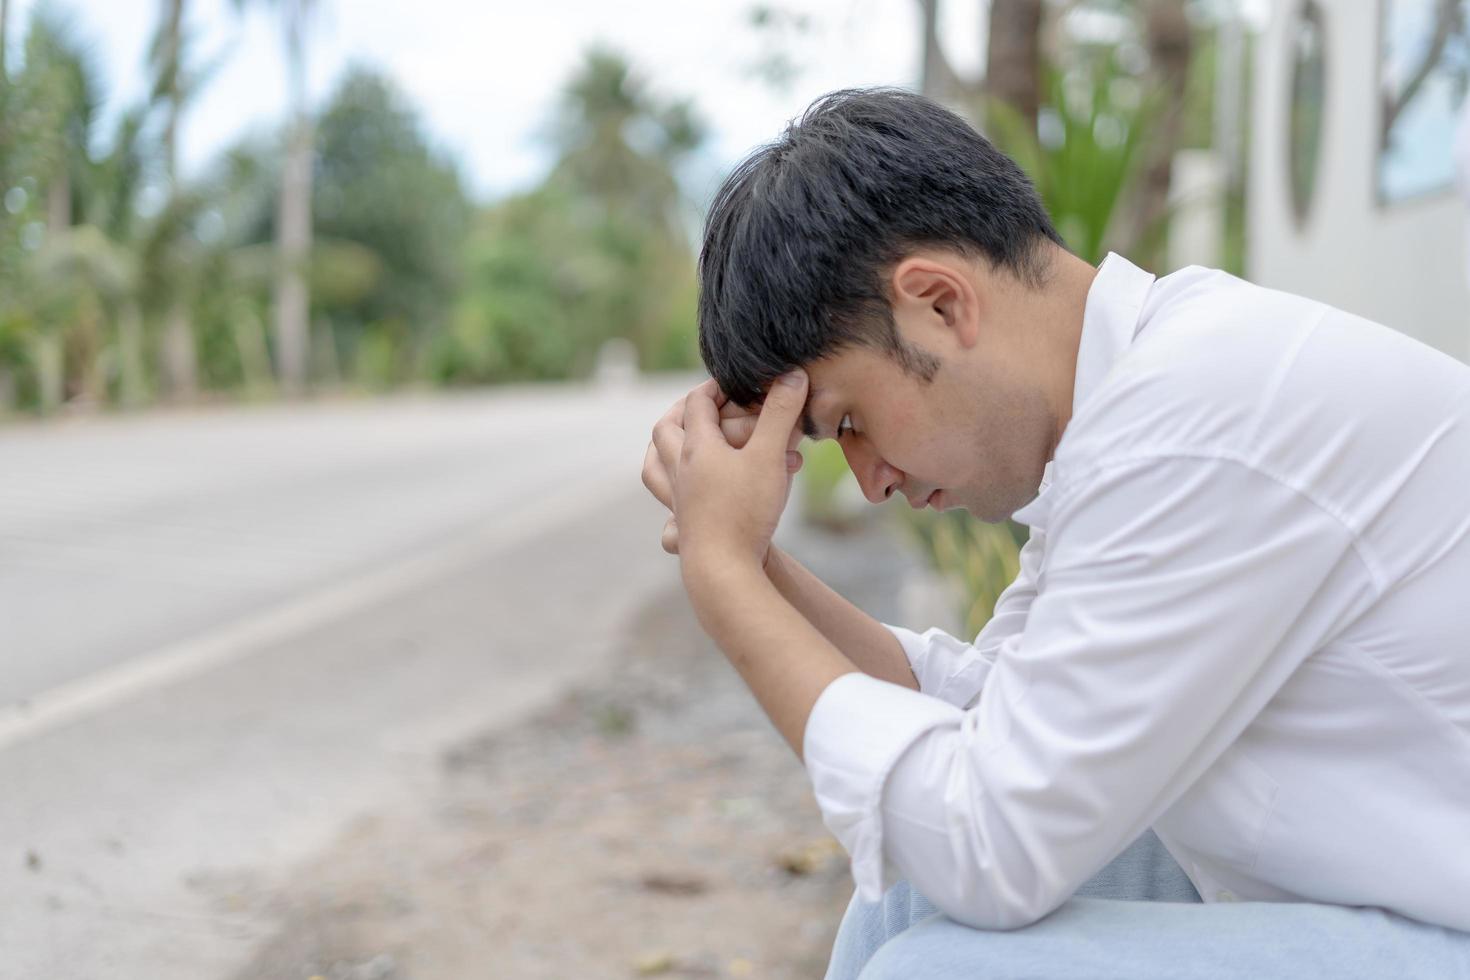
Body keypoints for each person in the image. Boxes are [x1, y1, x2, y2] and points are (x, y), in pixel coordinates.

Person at [640, 87, 1470, 978]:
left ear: (939, 304)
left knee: (942, 968)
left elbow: (992, 845)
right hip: (1393, 886)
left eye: (849, 421)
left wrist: (724, 582)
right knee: (909, 902)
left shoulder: (1196, 423)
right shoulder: (1136, 401)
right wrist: (748, 557)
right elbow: (995, 723)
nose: (873, 479)